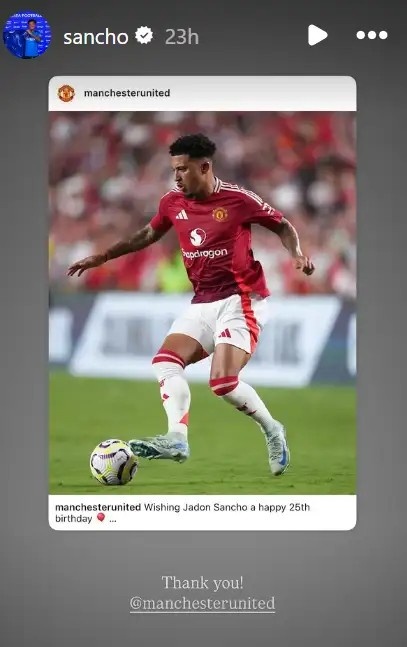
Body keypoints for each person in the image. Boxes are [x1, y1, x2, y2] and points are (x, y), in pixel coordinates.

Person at [68, 134, 315, 476]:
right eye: (175, 169)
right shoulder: (172, 202)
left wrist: (297, 254)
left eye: (183, 169)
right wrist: (105, 256)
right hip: (202, 302)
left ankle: (273, 429)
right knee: (165, 363)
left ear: (204, 167)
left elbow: (282, 225)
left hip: (241, 299)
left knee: (222, 383)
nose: (177, 176)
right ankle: (177, 439)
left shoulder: (238, 199)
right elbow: (148, 234)